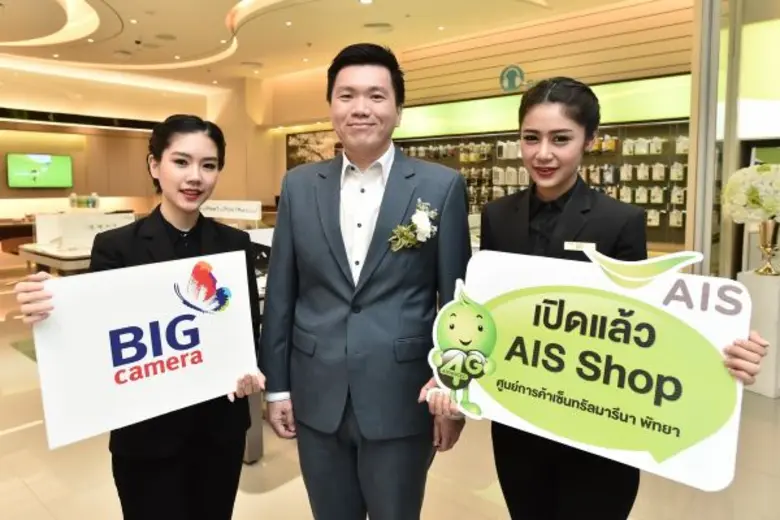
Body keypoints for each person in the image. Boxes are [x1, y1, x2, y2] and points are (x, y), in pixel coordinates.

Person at [423, 77, 770, 520]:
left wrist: (723, 350)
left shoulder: (619, 221)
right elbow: (489, 313)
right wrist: (454, 379)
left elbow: (640, 322)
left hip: (597, 427)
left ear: (589, 140)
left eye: (560, 139)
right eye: (531, 138)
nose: (542, 153)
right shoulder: (497, 216)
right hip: (520, 423)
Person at [14, 114, 265, 520]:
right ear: (154, 165)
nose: (195, 177)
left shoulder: (234, 244)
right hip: (148, 439)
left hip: (218, 433)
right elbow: (97, 339)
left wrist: (250, 368)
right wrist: (49, 309)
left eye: (208, 165)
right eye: (181, 162)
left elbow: (247, 331)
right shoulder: (116, 247)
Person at [259, 43, 471, 520]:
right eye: (346, 95)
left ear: (398, 109)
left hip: (403, 396)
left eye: (376, 96)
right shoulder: (298, 185)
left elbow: (458, 303)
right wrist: (277, 388)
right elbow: (282, 295)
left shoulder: (440, 186)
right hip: (316, 392)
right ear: (331, 106)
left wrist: (453, 392)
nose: (360, 108)